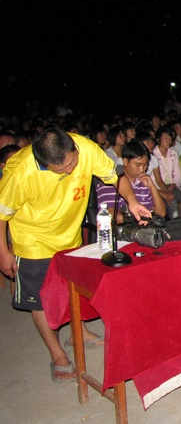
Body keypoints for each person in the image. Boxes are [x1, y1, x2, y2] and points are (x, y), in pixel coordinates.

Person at [0, 127, 150, 381]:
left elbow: (116, 177)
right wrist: (3, 252)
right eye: (62, 169)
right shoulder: (21, 172)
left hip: (69, 235)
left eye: (72, 163)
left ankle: (78, 332)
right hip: (33, 241)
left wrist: (132, 201)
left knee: (71, 289)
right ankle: (58, 355)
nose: (70, 170)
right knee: (41, 301)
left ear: (74, 148)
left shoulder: (86, 149)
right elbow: (1, 214)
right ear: (44, 163)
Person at [96, 140, 166, 221]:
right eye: (138, 165)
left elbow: (161, 213)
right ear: (125, 161)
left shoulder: (144, 182)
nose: (142, 169)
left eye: (145, 165)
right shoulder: (110, 181)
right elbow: (112, 214)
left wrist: (152, 187)